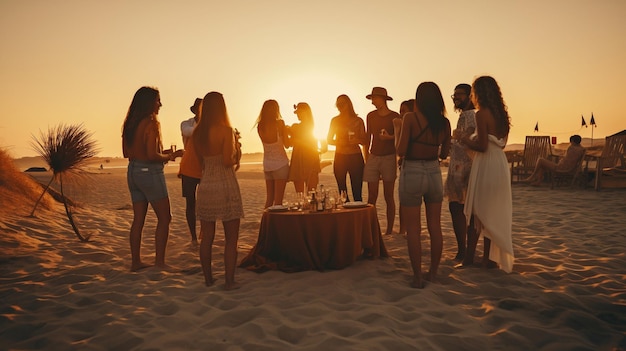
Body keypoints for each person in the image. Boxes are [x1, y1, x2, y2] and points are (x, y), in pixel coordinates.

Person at [395, 82, 451, 288]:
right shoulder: (444, 123)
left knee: (413, 229)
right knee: (435, 226)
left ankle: (417, 276)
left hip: (413, 171)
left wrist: (398, 129)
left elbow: (401, 150)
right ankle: (433, 273)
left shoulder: (410, 118)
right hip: (434, 173)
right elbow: (444, 154)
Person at [121, 86, 183, 271]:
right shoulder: (151, 123)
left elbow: (127, 153)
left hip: (133, 171)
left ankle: (135, 262)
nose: (160, 104)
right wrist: (171, 156)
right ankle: (160, 262)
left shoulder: (130, 124)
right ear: (149, 103)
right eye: (158, 100)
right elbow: (151, 155)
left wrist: (159, 154)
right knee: (165, 218)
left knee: (138, 219)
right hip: (150, 172)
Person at [458, 75, 514, 273]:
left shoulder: (481, 115)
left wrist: (464, 139)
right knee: (490, 210)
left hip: (486, 164)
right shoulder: (502, 116)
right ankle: (488, 259)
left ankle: (468, 258)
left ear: (479, 93)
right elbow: (500, 143)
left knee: (476, 211)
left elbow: (481, 146)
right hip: (499, 163)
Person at [193, 91, 244, 290]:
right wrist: (237, 153)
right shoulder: (226, 130)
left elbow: (201, 164)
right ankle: (229, 281)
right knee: (231, 239)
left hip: (206, 185)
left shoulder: (197, 133)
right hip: (225, 183)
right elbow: (226, 161)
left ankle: (208, 279)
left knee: (207, 236)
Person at [443, 84, 477, 263]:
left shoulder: (469, 115)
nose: (455, 98)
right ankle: (465, 250)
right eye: (454, 95)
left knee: (458, 208)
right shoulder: (467, 115)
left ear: (470, 96)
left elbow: (470, 138)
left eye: (459, 95)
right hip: (460, 165)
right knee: (463, 208)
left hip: (463, 168)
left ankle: (464, 251)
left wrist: (455, 139)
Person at [364, 87, 401, 235]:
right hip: (373, 156)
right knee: (371, 195)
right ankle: (370, 227)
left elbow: (400, 137)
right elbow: (368, 138)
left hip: (389, 157)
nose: (372, 101)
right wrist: (367, 158)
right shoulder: (370, 116)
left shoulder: (395, 116)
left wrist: (389, 137)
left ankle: (389, 230)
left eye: (374, 98)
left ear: (382, 99)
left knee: (388, 195)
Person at [326, 94, 366, 202]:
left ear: (348, 104)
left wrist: (356, 140)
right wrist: (339, 142)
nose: (339, 106)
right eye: (338, 104)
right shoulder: (335, 120)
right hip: (340, 157)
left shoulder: (358, 121)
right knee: (342, 193)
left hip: (355, 157)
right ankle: (346, 217)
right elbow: (329, 139)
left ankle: (358, 217)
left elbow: (364, 140)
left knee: (357, 193)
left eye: (342, 104)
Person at [256, 99, 290, 208]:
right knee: (278, 201)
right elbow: (287, 144)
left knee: (269, 199)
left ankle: (266, 223)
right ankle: (276, 225)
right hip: (280, 164)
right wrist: (289, 132)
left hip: (267, 164)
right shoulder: (280, 123)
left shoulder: (260, 125)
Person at [178, 97, 202, 245]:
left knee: (206, 202)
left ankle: (202, 234)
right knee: (190, 203)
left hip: (206, 168)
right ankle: (193, 237)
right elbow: (188, 132)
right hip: (189, 167)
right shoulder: (186, 124)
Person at [288, 102, 321, 193]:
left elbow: (290, 143)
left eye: (299, 112)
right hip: (301, 158)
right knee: (303, 194)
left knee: (310, 192)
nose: (298, 115)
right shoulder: (307, 126)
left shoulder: (296, 127)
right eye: (297, 113)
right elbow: (290, 144)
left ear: (306, 112)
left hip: (306, 158)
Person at [394, 99, 415, 235]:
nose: (401, 114)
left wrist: (397, 130)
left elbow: (399, 148)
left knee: (408, 200)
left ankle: (407, 229)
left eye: (404, 111)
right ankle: (403, 228)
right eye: (400, 111)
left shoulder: (409, 125)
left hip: (411, 165)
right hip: (405, 164)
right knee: (404, 200)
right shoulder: (405, 124)